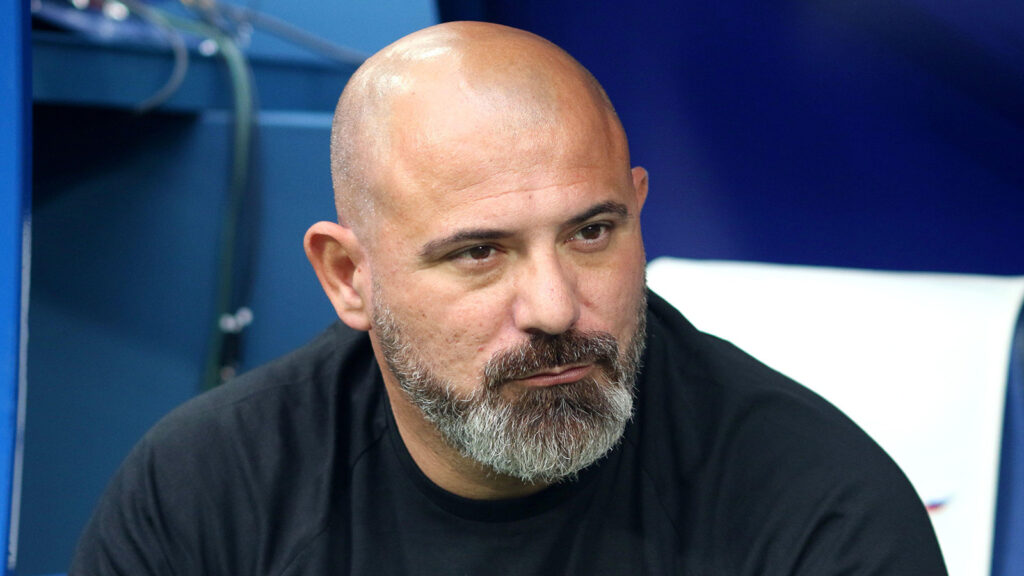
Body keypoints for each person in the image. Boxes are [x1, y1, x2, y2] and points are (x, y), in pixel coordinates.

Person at [71, 21, 947, 575]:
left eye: (591, 233)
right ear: (347, 276)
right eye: (480, 252)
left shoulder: (818, 512)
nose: (555, 309)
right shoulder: (208, 492)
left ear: (639, 210)